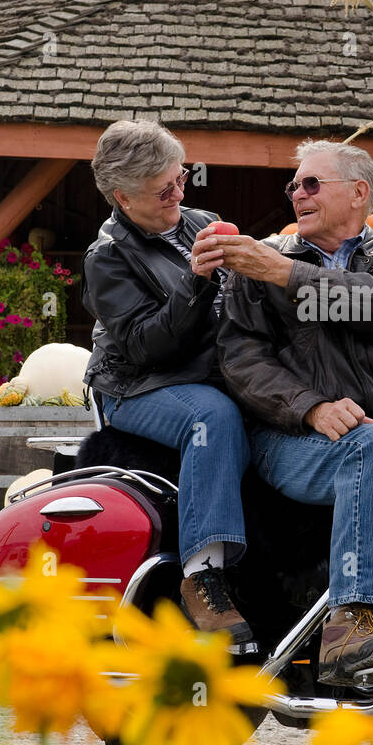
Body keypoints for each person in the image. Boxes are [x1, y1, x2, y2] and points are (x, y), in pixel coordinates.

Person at [205, 139, 373, 686]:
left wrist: (286, 275)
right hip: (285, 436)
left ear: (359, 193)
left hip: (366, 432)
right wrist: (311, 408)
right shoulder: (260, 259)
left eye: (311, 184)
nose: (296, 195)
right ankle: (348, 625)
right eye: (294, 186)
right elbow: (240, 360)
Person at [82, 119, 252, 643]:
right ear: (124, 199)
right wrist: (196, 284)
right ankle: (201, 577)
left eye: (181, 178)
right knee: (212, 416)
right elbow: (148, 348)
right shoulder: (106, 257)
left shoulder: (202, 221)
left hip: (202, 373)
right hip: (134, 387)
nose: (179, 193)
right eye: (164, 189)